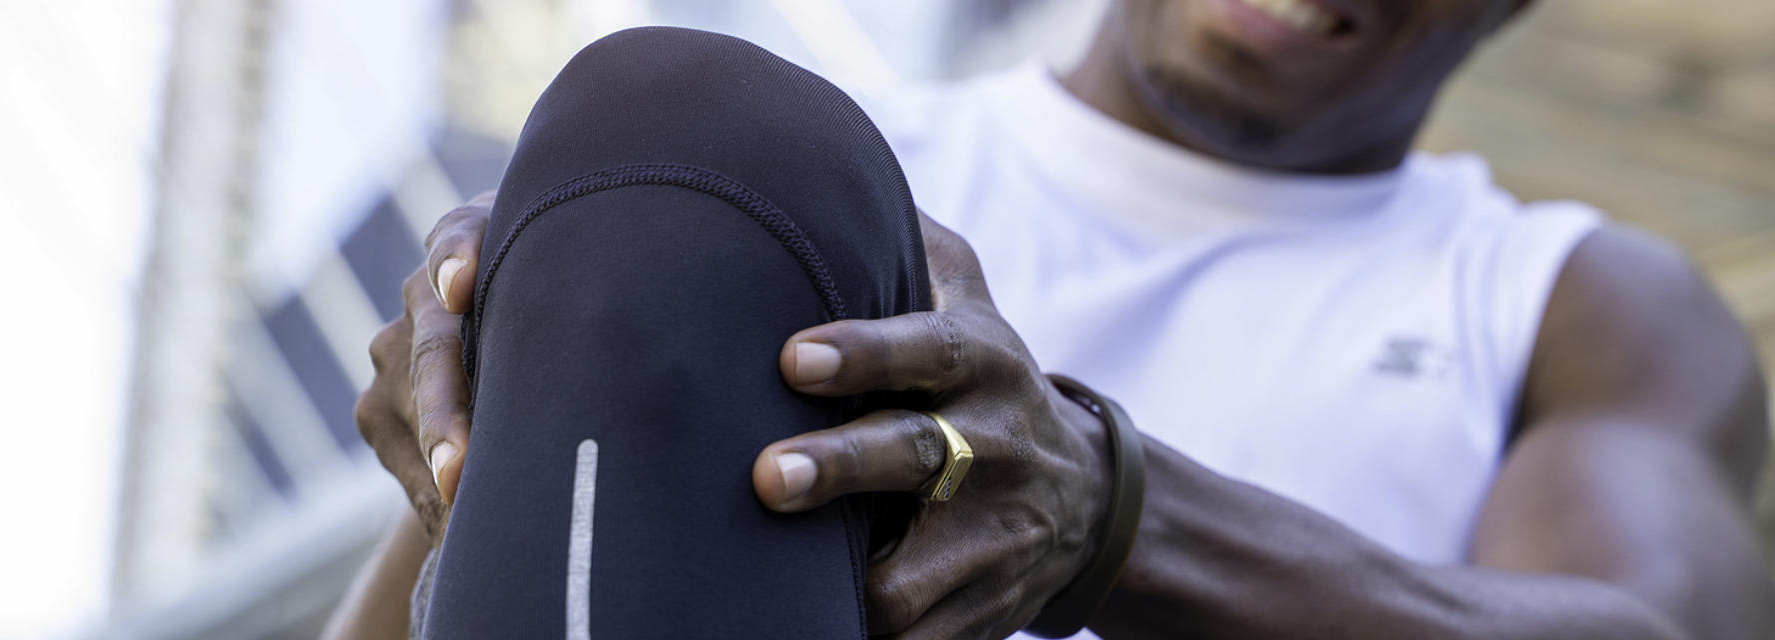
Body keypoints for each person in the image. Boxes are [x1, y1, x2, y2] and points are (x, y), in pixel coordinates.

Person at [330, 2, 1775, 639]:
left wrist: (1116, 519)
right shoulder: (776, 174)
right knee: (659, 114)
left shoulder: (1569, 298)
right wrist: (514, 368)